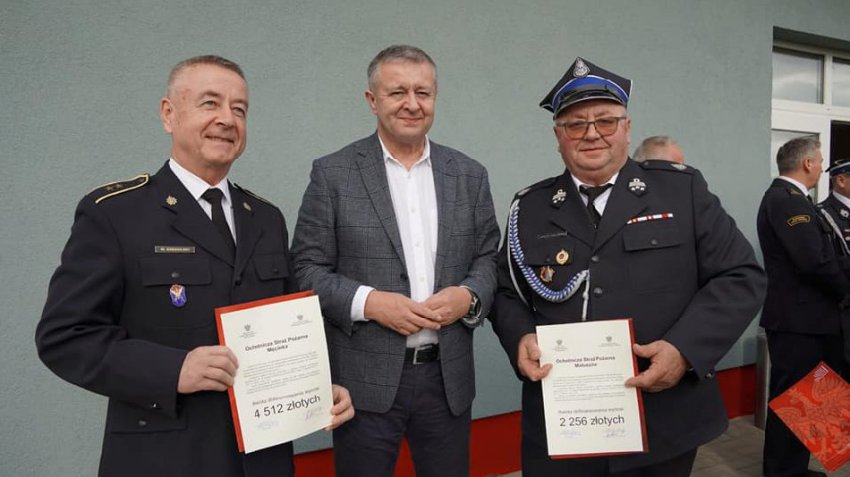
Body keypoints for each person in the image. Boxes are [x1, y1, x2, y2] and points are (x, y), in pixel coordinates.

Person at [35, 55, 354, 477]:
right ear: (169, 114)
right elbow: (64, 337)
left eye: (239, 109)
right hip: (166, 457)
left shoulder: (265, 217)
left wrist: (319, 384)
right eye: (210, 103)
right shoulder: (115, 214)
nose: (227, 119)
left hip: (262, 459)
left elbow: (288, 324)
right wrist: (174, 370)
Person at [489, 56, 766, 476]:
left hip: (662, 421)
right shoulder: (530, 207)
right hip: (564, 423)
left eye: (606, 121)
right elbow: (505, 289)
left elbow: (740, 275)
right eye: (575, 125)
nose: (592, 134)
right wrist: (520, 336)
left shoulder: (681, 191)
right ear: (558, 136)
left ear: (627, 127)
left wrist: (684, 350)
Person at [290, 45, 500, 477]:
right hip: (364, 383)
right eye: (397, 92)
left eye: (423, 92)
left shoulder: (469, 174)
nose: (412, 103)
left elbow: (487, 258)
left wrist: (468, 296)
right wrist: (369, 303)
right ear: (372, 100)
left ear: (435, 97)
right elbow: (305, 271)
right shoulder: (333, 174)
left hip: (447, 380)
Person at [759, 137, 849, 477]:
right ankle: (783, 472)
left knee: (806, 400)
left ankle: (793, 468)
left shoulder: (791, 198)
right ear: (808, 163)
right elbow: (814, 262)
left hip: (807, 319)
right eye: (820, 160)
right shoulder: (787, 200)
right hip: (799, 322)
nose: (822, 167)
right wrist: (845, 291)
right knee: (792, 400)